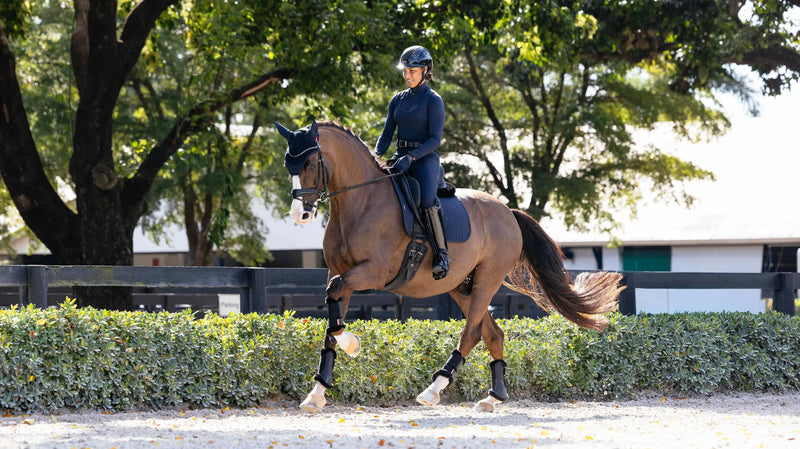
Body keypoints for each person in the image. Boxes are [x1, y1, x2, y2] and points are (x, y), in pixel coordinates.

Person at [375, 45, 451, 280]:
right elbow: (387, 134)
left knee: (427, 200)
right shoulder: (397, 99)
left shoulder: (433, 100)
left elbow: (435, 139)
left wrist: (412, 157)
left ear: (425, 70)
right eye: (405, 71)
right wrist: (375, 156)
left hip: (424, 158)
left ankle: (441, 255)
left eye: (412, 71)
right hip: (400, 156)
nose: (407, 75)